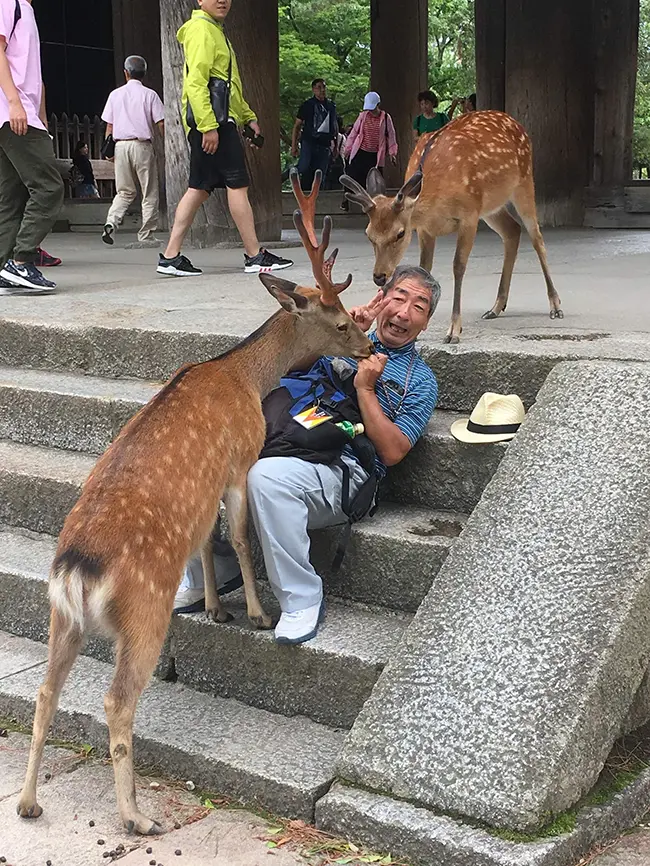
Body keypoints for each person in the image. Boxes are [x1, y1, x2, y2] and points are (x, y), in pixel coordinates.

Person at [174, 265, 441, 644]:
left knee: (266, 477)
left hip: (346, 469)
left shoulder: (420, 381)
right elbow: (281, 365)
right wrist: (334, 328)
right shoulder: (345, 337)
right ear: (382, 301)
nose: (404, 312)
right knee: (189, 441)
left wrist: (366, 391)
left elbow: (394, 451)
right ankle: (211, 568)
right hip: (290, 437)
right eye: (399, 297)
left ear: (426, 323)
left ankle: (301, 598)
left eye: (419, 306)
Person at [158, 0, 292, 277]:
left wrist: (247, 117)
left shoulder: (213, 30)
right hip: (215, 126)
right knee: (237, 184)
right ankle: (254, 255)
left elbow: (227, 86)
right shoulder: (202, 30)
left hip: (216, 124)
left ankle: (170, 256)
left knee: (199, 188)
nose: (223, 0)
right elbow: (196, 82)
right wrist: (209, 126)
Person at [0, 0, 64, 295]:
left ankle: (5, 269)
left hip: (18, 111)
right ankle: (22, 259)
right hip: (13, 110)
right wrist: (14, 103)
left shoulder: (24, 8)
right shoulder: (6, 3)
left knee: (11, 197)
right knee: (49, 187)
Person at [101, 55, 164, 248]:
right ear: (144, 74)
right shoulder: (150, 95)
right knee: (149, 192)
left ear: (126, 73)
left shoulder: (115, 95)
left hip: (120, 147)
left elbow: (109, 127)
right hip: (141, 146)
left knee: (124, 191)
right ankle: (146, 235)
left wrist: (108, 150)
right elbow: (161, 123)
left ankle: (111, 221)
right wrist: (165, 145)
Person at [343, 92, 397, 190]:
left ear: (378, 104)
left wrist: (392, 153)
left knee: (374, 182)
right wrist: (348, 149)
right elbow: (354, 133)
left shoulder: (385, 117)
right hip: (361, 152)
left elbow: (391, 135)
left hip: (375, 155)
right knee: (354, 178)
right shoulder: (363, 116)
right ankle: (348, 201)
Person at [291, 78, 338, 192]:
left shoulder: (331, 106)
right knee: (304, 166)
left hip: (324, 143)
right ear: (313, 90)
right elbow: (297, 125)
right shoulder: (307, 105)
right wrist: (294, 145)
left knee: (320, 173)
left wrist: (335, 145)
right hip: (309, 141)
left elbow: (334, 126)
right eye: (319, 87)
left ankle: (318, 196)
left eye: (323, 87)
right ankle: (290, 175)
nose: (322, 90)